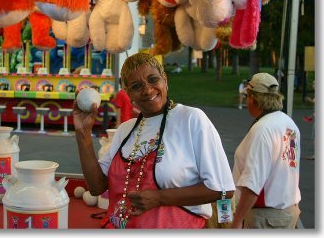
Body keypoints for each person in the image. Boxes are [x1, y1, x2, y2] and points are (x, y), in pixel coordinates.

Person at [73, 52, 235, 229]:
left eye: (153, 79)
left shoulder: (190, 119)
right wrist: (83, 133)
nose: (147, 90)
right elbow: (96, 187)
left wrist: (159, 198)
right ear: (128, 93)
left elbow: (223, 189)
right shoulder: (125, 130)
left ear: (165, 80)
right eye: (136, 86)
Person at [231, 73, 301, 229]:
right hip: (286, 211)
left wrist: (237, 221)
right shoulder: (288, 123)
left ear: (252, 98)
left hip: (265, 217)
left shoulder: (263, 129)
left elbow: (252, 184)